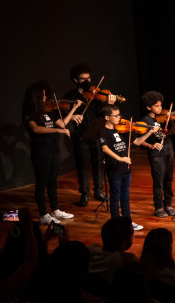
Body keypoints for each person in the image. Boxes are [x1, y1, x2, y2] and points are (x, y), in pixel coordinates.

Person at [23, 81, 84, 225]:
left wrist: (74, 108)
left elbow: (63, 124)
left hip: (53, 150)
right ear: (36, 97)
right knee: (41, 183)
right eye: (43, 96)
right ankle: (43, 214)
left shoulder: (49, 110)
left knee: (52, 182)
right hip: (40, 152)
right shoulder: (29, 113)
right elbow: (36, 129)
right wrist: (57, 130)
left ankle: (55, 210)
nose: (46, 98)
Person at [63, 63, 115, 205]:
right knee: (83, 165)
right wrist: (72, 117)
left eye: (89, 78)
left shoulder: (96, 95)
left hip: (96, 133)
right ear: (75, 80)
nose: (87, 81)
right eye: (83, 79)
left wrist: (110, 104)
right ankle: (85, 193)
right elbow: (62, 116)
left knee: (98, 163)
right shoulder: (70, 96)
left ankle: (98, 191)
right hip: (80, 135)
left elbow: (104, 113)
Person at [99, 104, 152, 231]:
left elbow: (138, 142)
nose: (120, 118)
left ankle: (128, 223)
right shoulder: (104, 132)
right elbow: (104, 148)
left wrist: (150, 132)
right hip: (115, 169)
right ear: (107, 117)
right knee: (115, 196)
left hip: (126, 168)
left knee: (125, 196)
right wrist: (120, 158)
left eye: (119, 115)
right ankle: (116, 225)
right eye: (116, 116)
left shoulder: (123, 130)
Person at [133, 91, 175, 219]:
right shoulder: (145, 120)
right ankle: (158, 207)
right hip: (156, 154)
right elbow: (140, 140)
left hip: (169, 150)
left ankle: (168, 204)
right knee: (158, 181)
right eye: (157, 106)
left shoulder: (166, 118)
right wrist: (151, 145)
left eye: (160, 105)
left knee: (169, 179)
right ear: (149, 107)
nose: (160, 108)